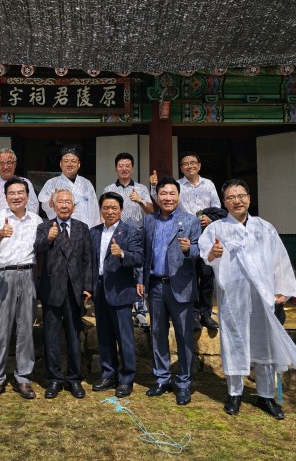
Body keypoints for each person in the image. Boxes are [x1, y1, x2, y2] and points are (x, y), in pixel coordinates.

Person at [199, 179, 296, 419]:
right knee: (234, 341)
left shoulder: (264, 228)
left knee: (264, 343)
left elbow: (279, 260)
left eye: (241, 196)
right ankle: (234, 393)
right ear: (224, 202)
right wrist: (213, 253)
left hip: (263, 296)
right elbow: (205, 256)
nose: (236, 201)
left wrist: (281, 291)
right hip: (233, 297)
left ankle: (266, 395)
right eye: (231, 197)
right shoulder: (217, 229)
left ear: (249, 198)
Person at [0, 177, 42, 401]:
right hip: (3, 276)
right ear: (6, 197)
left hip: (27, 274)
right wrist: (0, 234)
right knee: (0, 329)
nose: (16, 197)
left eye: (20, 192)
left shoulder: (36, 220)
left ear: (27, 195)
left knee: (26, 328)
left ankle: (23, 377)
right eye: (12, 193)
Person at [142, 176, 201, 406]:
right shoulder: (149, 221)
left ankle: (184, 383)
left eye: (172, 193)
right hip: (156, 285)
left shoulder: (190, 221)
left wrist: (188, 249)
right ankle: (162, 378)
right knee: (158, 333)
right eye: (163, 193)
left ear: (178, 196)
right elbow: (144, 253)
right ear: (157, 197)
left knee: (184, 336)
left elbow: (200, 251)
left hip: (181, 286)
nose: (167, 198)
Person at [151, 153, 221, 330]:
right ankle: (194, 314)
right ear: (181, 168)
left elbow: (217, 207)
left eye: (193, 163)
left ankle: (206, 313)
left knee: (206, 274)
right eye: (185, 164)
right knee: (191, 273)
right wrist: (153, 186)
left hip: (206, 232)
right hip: (186, 233)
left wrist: (210, 220)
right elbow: (163, 200)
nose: (190, 166)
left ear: (199, 165)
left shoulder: (208, 184)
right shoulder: (177, 186)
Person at [34, 189, 93, 399]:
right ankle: (54, 379)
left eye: (68, 202)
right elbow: (36, 248)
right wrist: (48, 239)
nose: (64, 205)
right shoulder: (44, 226)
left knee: (73, 336)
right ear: (53, 205)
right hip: (51, 288)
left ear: (74, 207)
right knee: (51, 336)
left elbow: (88, 259)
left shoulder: (82, 228)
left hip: (74, 289)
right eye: (60, 202)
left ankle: (74, 378)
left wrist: (88, 287)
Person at [90, 192, 144, 398]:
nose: (110, 211)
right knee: (104, 335)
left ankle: (127, 378)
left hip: (121, 289)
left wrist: (122, 254)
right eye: (106, 208)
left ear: (121, 210)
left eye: (114, 208)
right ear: (101, 210)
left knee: (124, 336)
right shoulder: (94, 232)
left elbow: (138, 257)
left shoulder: (130, 231)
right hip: (99, 288)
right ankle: (108, 374)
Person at [103, 152, 153, 330]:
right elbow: (105, 212)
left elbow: (151, 210)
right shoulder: (109, 189)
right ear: (116, 168)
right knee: (118, 269)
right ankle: (120, 304)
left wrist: (140, 200)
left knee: (138, 270)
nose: (124, 169)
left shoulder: (141, 188)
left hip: (136, 234)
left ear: (132, 168)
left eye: (127, 166)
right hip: (116, 235)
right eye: (120, 166)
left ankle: (140, 310)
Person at [38, 146, 101, 227]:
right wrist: (51, 201)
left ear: (78, 164)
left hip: (84, 228)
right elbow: (45, 206)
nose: (69, 164)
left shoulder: (86, 183)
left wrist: (94, 229)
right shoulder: (51, 183)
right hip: (61, 228)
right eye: (66, 161)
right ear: (61, 164)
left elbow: (94, 209)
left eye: (73, 161)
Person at [0, 148, 39, 216]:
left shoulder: (25, 183)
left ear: (15, 164)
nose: (5, 167)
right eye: (1, 163)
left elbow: (34, 206)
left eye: (9, 163)